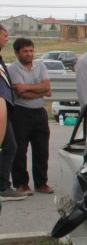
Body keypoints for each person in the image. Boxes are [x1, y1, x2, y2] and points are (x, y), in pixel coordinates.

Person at [8, 38, 51, 195]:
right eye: (25, 51)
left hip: (40, 113)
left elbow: (47, 87)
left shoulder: (40, 65)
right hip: (21, 113)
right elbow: (21, 94)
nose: (29, 54)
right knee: (20, 150)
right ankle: (21, 184)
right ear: (17, 52)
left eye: (31, 50)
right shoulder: (13, 69)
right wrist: (38, 90)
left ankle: (41, 183)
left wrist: (27, 87)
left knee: (42, 150)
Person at [0, 24, 25, 202]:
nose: (7, 39)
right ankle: (2, 186)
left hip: (5, 110)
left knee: (10, 146)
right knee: (9, 147)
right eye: (4, 35)